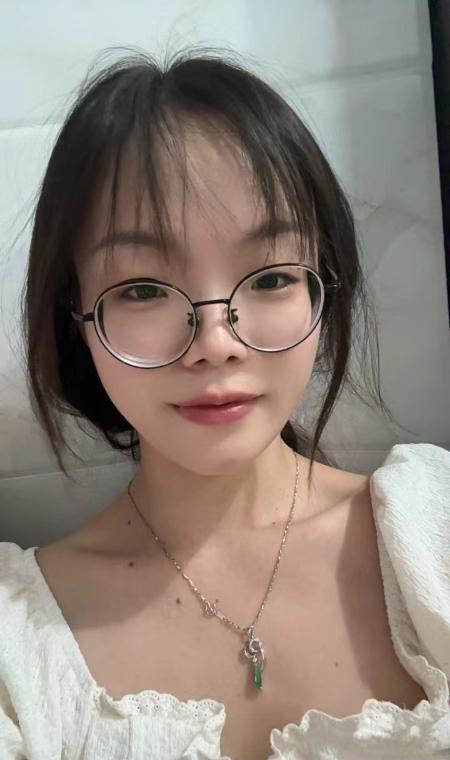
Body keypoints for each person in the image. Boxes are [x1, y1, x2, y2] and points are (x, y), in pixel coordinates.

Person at [0, 46, 449, 760]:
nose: (215, 343)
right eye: (143, 289)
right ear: (75, 316)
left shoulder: (435, 527)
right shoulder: (18, 644)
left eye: (270, 277)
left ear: (322, 290)